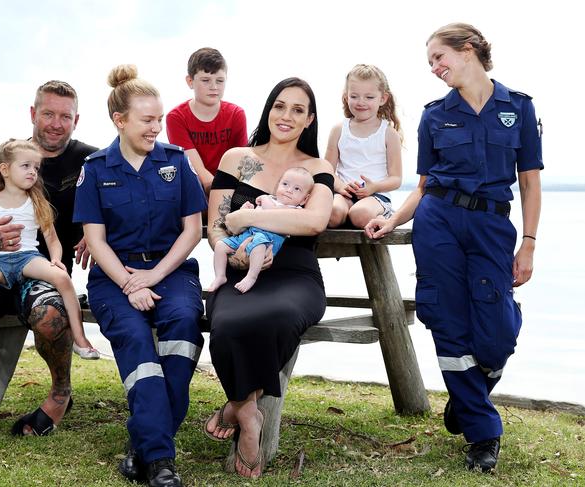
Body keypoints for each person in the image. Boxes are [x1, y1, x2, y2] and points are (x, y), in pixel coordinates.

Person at [366, 23, 542, 473]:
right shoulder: (433, 114)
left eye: (439, 58)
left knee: (498, 330)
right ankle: (484, 433)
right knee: (445, 317)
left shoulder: (518, 108)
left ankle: (469, 395)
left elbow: (529, 182)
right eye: (430, 63)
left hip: (491, 224)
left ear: (468, 51)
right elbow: (424, 186)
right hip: (438, 221)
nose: (434, 68)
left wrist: (529, 244)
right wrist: (391, 219)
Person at [0, 80, 97, 474]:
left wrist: (98, 236)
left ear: (76, 119)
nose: (57, 123)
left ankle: (61, 392)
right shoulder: (0, 158)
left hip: (39, 271)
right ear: (33, 114)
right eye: (48, 113)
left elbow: (114, 213)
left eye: (65, 116)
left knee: (51, 315)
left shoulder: (91, 162)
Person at [73, 64, 206, 487]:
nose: (157, 127)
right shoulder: (95, 169)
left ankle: (143, 442)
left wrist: (152, 277)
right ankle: (161, 463)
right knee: (135, 343)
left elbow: (193, 230)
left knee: (183, 329)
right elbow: (95, 240)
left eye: (160, 119)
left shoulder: (175, 162)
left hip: (171, 270)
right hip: (115, 275)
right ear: (120, 120)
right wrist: (130, 283)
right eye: (147, 120)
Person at [204, 77, 333, 479]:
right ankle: (248, 414)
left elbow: (313, 222)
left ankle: (234, 406)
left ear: (309, 120)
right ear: (268, 110)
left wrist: (250, 217)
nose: (287, 116)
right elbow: (216, 226)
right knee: (225, 324)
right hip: (241, 268)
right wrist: (235, 250)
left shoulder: (318, 169)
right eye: (280, 106)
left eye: (298, 110)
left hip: (295, 273)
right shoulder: (237, 158)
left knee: (275, 319)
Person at [0, 139, 98, 389]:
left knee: (63, 279)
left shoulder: (37, 202)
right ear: (5, 170)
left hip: (27, 260)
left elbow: (52, 239)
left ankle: (81, 339)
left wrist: (55, 259)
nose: (33, 171)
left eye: (36, 167)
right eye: (26, 166)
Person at [208, 166, 314, 293]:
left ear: (304, 199)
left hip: (267, 240)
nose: (289, 190)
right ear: (278, 185)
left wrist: (264, 199)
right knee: (220, 246)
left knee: (258, 244)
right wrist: (245, 210)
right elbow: (248, 219)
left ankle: (251, 277)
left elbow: (273, 213)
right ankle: (220, 276)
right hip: (247, 234)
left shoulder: (293, 210)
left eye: (297, 189)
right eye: (285, 184)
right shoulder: (271, 199)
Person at [325, 64, 402, 231]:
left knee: (360, 215)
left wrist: (374, 187)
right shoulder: (338, 130)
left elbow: (396, 179)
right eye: (354, 96)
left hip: (376, 195)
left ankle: (384, 214)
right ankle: (345, 214)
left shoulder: (388, 133)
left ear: (383, 98)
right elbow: (327, 170)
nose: (361, 102)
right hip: (344, 193)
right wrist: (340, 187)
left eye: (369, 97)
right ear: (346, 97)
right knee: (332, 213)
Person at [166, 47, 248, 194]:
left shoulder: (236, 114)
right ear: (190, 81)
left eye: (220, 81)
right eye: (206, 80)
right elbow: (199, 172)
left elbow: (241, 161)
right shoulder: (176, 117)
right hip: (195, 187)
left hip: (230, 185)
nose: (214, 87)